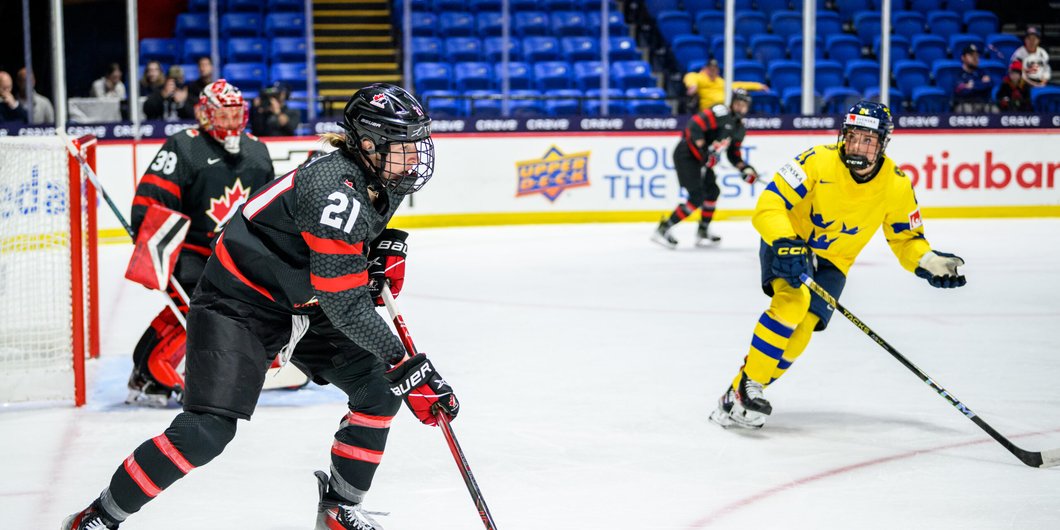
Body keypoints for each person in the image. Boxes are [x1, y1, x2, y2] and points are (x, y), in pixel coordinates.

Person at [62, 83, 458, 530]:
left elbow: (335, 257)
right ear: (368, 144)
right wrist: (406, 365)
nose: (415, 155)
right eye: (404, 145)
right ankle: (99, 517)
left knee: (378, 391)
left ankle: (338, 511)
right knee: (206, 432)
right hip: (240, 302)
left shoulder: (381, 176)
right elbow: (345, 303)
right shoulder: (333, 188)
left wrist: (376, 253)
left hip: (304, 301)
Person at [707, 101, 967, 430]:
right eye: (854, 137)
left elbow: (906, 240)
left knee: (805, 327)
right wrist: (785, 241)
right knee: (793, 302)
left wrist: (928, 261)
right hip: (790, 242)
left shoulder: (896, 185)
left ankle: (738, 393)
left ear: (883, 143)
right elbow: (769, 204)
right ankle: (748, 387)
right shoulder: (816, 160)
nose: (858, 146)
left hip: (834, 260)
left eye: (868, 140)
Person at [124, 79, 275, 407]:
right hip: (191, 252)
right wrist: (153, 247)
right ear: (205, 115)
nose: (231, 124)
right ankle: (155, 369)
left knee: (205, 311)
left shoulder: (257, 152)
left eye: (237, 116)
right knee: (198, 310)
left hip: (235, 255)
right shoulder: (185, 146)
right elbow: (151, 199)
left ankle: (145, 369)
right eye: (224, 116)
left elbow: (267, 210)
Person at [651, 88, 759, 248]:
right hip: (686, 155)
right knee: (697, 196)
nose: (741, 108)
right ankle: (663, 228)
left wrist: (745, 168)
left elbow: (733, 154)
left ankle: (703, 230)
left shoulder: (739, 128)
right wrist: (704, 150)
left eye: (744, 105)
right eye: (738, 104)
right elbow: (694, 126)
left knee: (712, 192)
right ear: (732, 103)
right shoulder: (720, 113)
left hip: (702, 160)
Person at [684, 59, 768, 112]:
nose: (713, 71)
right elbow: (690, 80)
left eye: (715, 68)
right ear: (704, 68)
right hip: (708, 110)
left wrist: (758, 86)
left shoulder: (720, 81)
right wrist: (692, 87)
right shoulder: (697, 77)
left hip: (724, 109)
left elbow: (737, 85)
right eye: (710, 68)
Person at [953, 44, 995, 113]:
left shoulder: (981, 72)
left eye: (977, 56)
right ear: (963, 57)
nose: (975, 58)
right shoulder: (958, 74)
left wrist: (972, 85)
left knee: (994, 110)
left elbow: (990, 84)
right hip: (965, 104)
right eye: (971, 55)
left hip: (982, 104)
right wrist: (981, 84)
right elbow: (962, 91)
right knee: (967, 110)